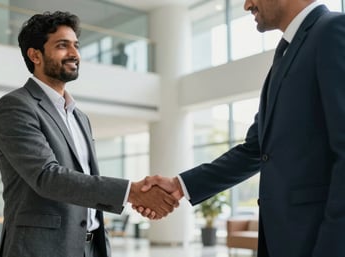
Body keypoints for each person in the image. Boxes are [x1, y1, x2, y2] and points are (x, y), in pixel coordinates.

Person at [137, 0, 345, 257]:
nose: (247, 5)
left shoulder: (333, 31)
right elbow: (255, 149)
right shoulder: (285, 55)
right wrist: (180, 185)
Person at [0, 11, 178, 257]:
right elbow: (48, 177)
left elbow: (85, 180)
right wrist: (132, 192)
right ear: (35, 54)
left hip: (92, 247)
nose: (74, 54)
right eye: (62, 45)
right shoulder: (16, 106)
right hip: (40, 249)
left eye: (76, 46)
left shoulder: (79, 117)